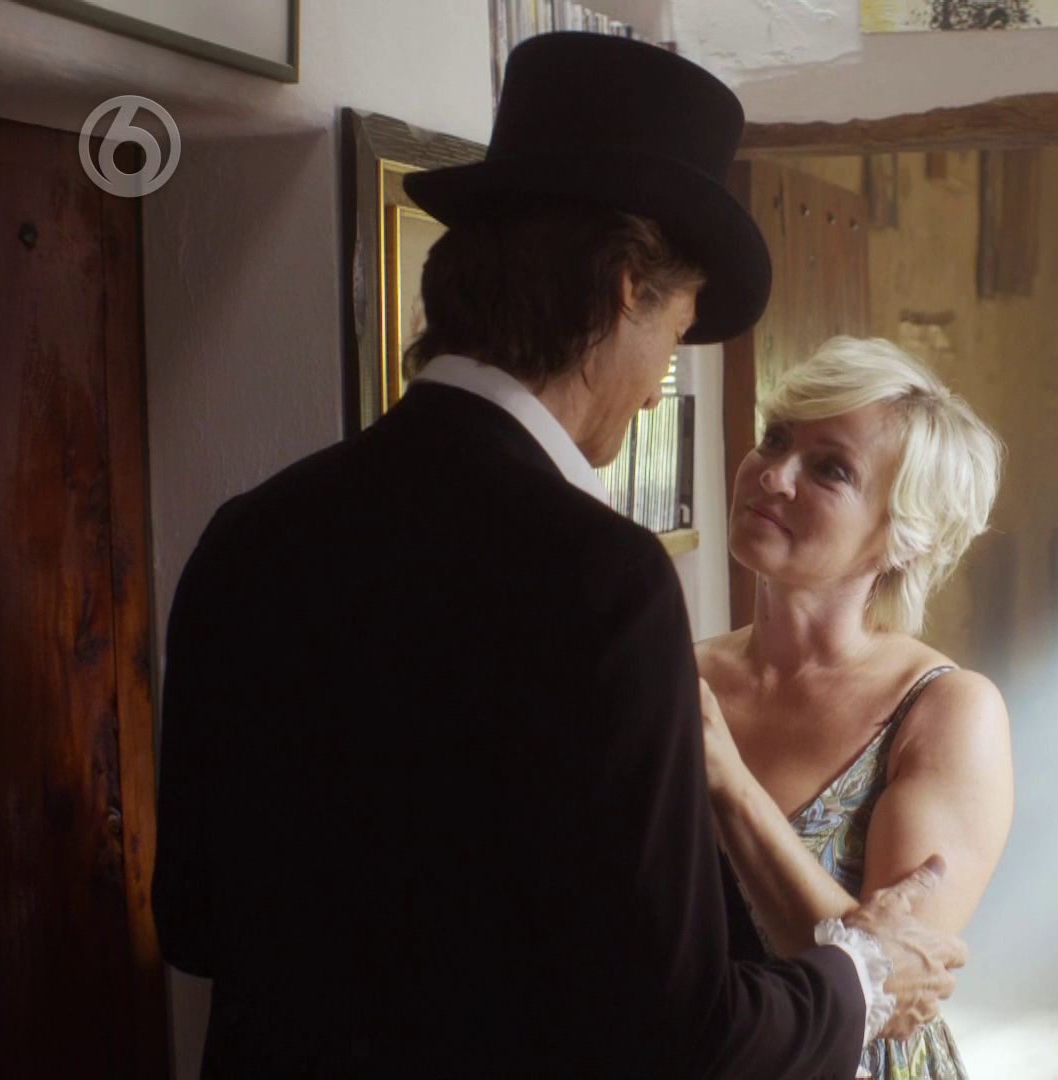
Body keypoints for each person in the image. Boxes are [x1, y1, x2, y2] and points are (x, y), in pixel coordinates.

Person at [151, 35, 966, 1079]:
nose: (662, 378)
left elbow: (196, 923)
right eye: (677, 327)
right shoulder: (602, 581)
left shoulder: (252, 530)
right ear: (627, 289)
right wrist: (864, 972)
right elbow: (678, 1040)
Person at [696, 337, 1013, 1080]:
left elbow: (888, 998)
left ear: (904, 538)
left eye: (830, 468)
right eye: (775, 438)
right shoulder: (679, 674)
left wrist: (729, 785)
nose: (772, 474)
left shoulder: (944, 713)